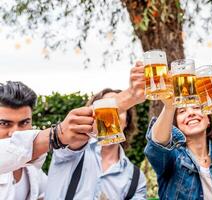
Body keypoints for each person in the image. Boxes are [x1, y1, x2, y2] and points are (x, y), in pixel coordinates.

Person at [45, 62, 147, 199]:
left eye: (119, 110)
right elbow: (72, 130)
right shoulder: (71, 150)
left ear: (127, 121)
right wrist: (130, 96)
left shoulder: (136, 178)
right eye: (105, 107)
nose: (112, 115)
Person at [0, 81, 95, 200]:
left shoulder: (33, 173)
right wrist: (56, 134)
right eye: (4, 123)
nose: (16, 132)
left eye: (24, 122)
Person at [144, 95, 212, 199]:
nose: (191, 113)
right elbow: (157, 145)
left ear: (208, 120)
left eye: (197, 108)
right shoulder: (172, 158)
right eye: (182, 111)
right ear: (176, 125)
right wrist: (169, 107)